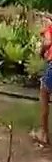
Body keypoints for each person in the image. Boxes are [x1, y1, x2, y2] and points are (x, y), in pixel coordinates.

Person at [35, 12, 52, 146]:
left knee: (44, 94)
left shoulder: (49, 28)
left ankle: (43, 133)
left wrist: (41, 52)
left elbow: (47, 42)